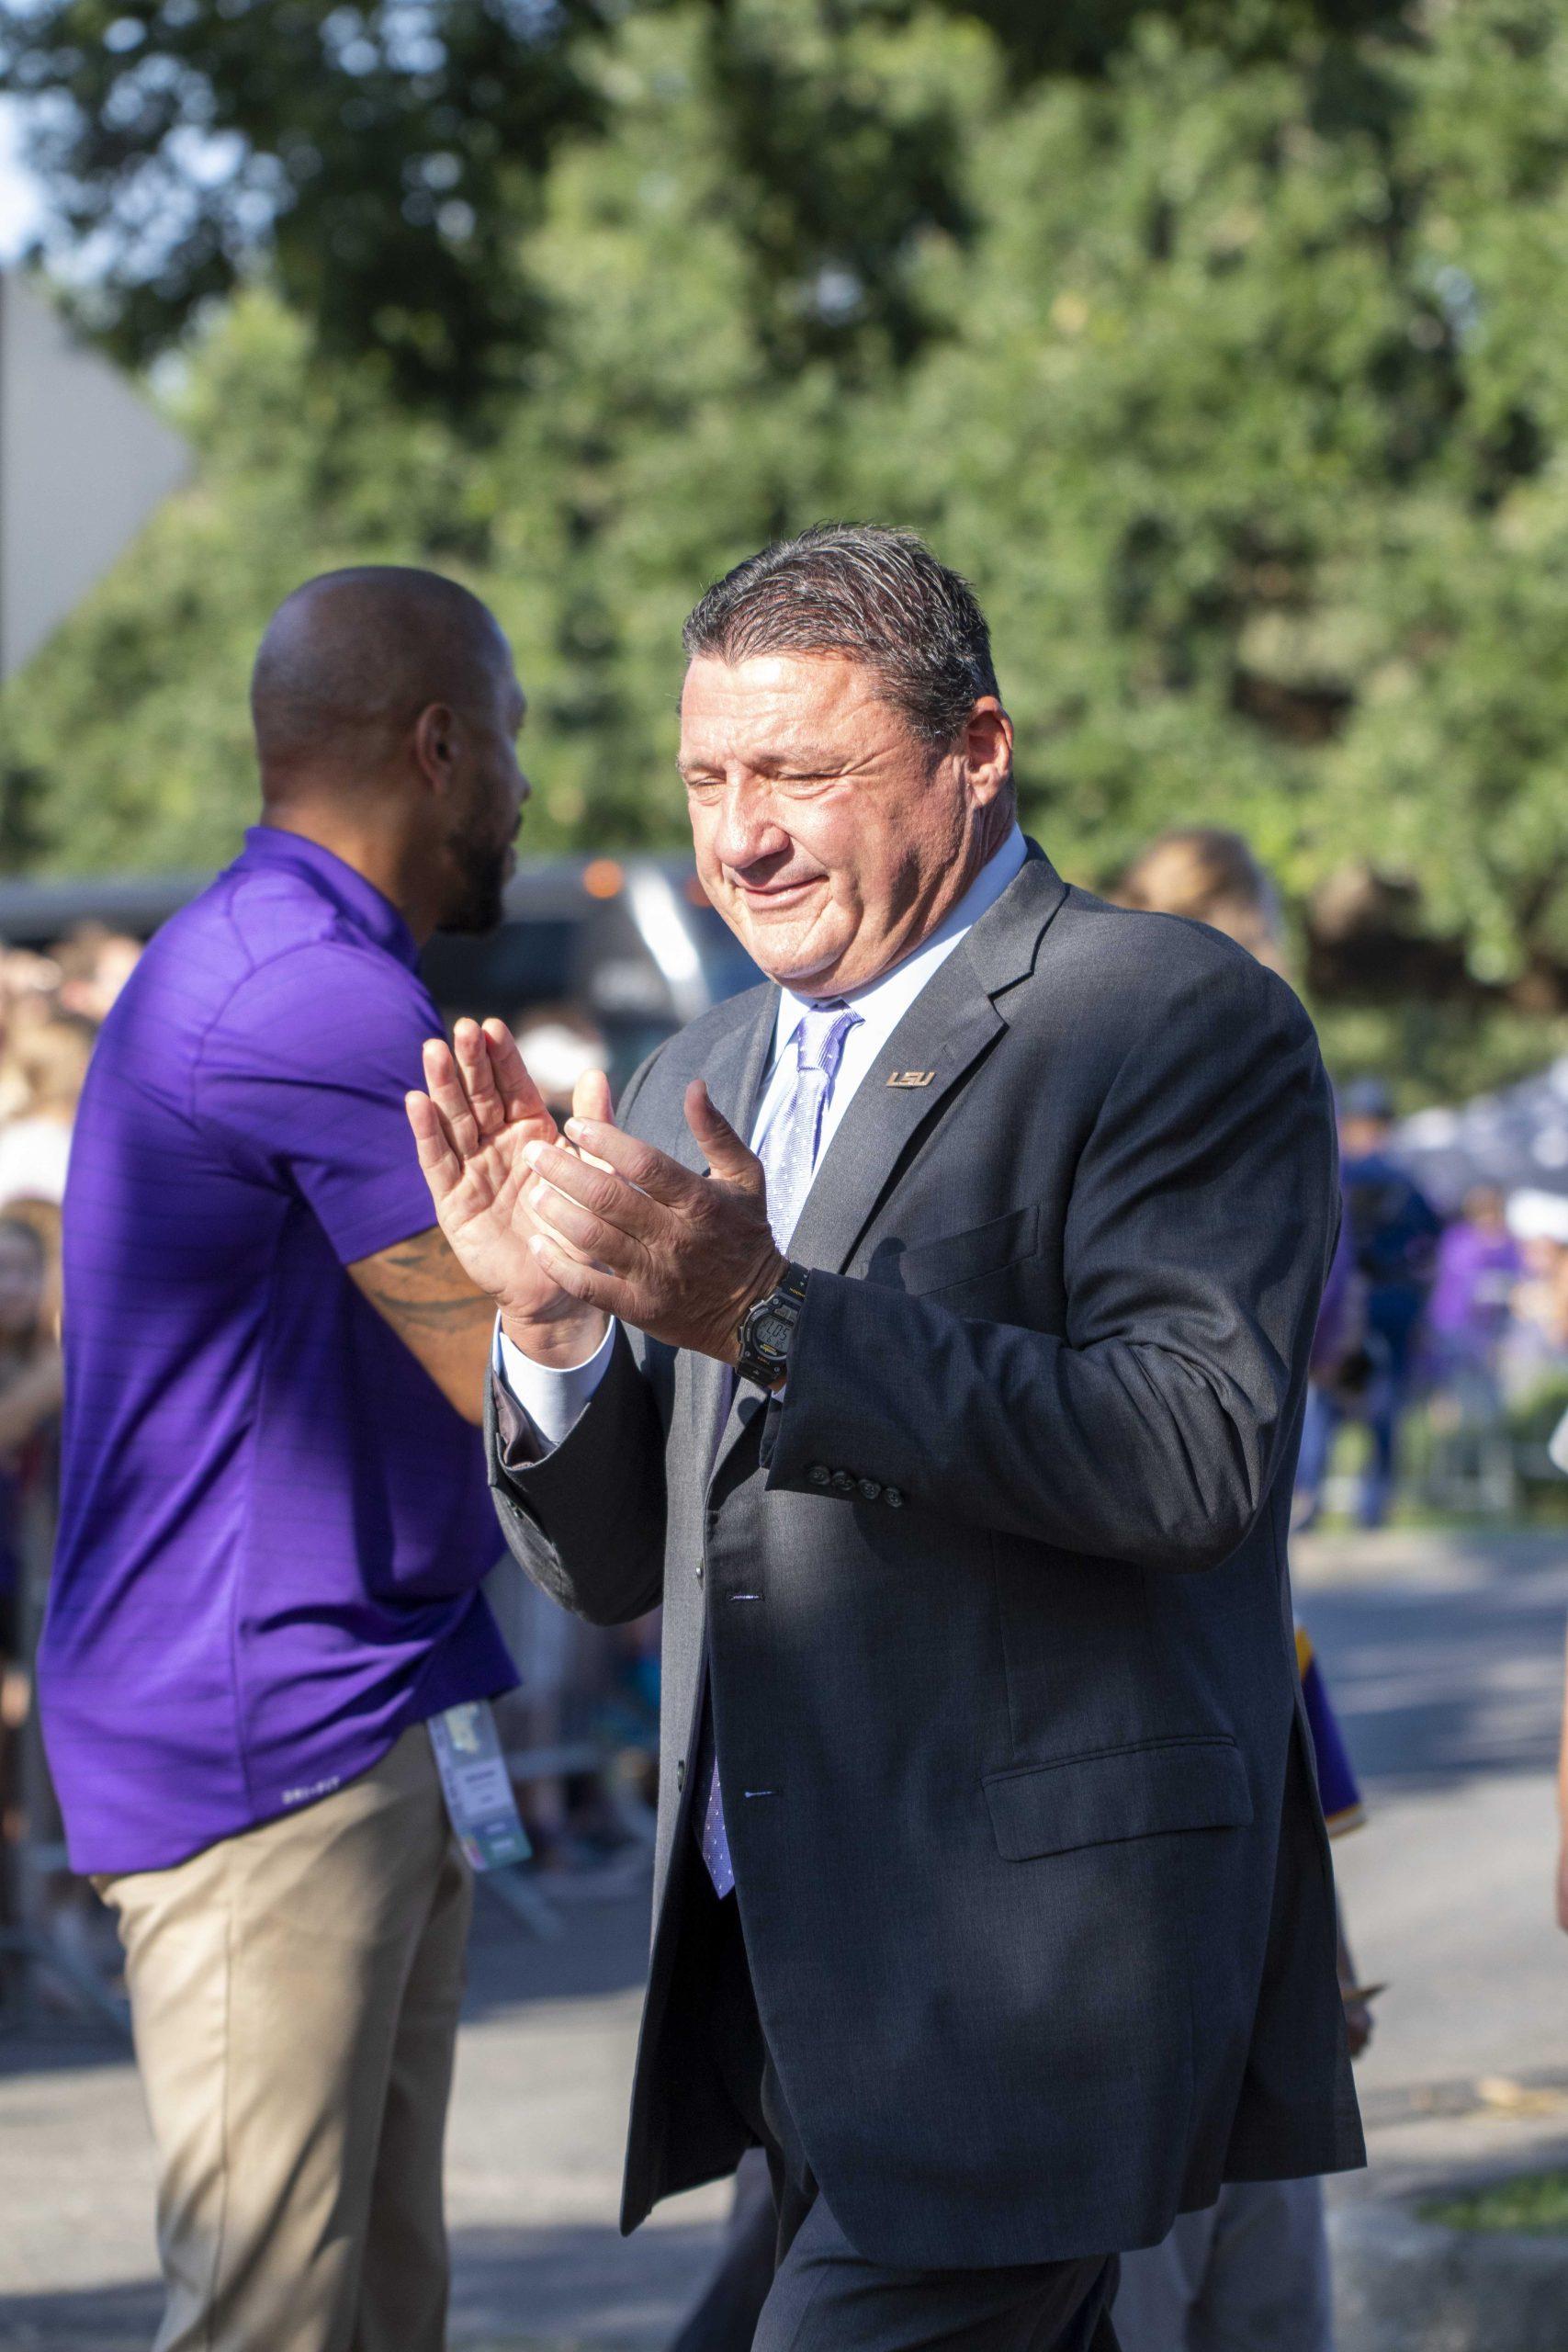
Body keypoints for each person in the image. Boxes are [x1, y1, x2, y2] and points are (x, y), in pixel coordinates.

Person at [410, 526, 1363, 2352]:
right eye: (705, 777)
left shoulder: (1170, 1019)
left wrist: (763, 1312)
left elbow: (1190, 1452)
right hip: (789, 1998)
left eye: (800, 773)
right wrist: (540, 1334)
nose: (737, 834)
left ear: (975, 746)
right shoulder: (713, 1054)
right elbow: (625, 1560)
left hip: (1020, 1998)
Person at [38, 567, 528, 2352]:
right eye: (516, 741)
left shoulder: (271, 958)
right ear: (436, 741)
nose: (525, 794)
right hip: (272, 1732)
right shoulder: (305, 998)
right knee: (274, 2319)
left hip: (338, 1700)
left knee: (372, 2311)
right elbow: (529, 1371)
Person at [1298, 1078, 1440, 1527]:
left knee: (1330, 1401)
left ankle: (1315, 1500)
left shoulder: (1339, 1174)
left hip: (1353, 1300)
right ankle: (1371, 1504)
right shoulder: (1404, 1181)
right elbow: (1433, 1237)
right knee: (1380, 1403)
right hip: (1390, 1298)